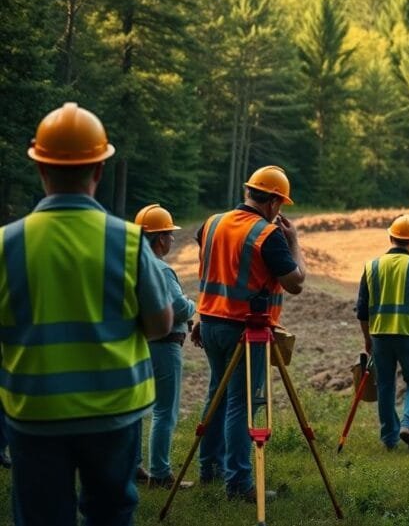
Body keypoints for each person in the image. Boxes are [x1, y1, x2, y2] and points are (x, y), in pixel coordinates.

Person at [0, 103, 172, 526]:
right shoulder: (129, 242)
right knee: (110, 513)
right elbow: (161, 325)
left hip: (34, 413)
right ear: (99, 170)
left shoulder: (7, 244)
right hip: (112, 411)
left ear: (41, 170)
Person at [193, 165, 306, 502]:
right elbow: (296, 282)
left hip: (209, 323)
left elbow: (216, 261)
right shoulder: (266, 235)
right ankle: (239, 483)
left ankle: (208, 469)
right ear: (272, 201)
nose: (280, 211)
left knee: (217, 396)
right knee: (240, 405)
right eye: (281, 204)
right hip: (245, 330)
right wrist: (294, 241)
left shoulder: (212, 223)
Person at [356, 215, 409, 453]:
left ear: (390, 237)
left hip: (380, 336)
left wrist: (367, 339)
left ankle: (389, 439)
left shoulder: (372, 267)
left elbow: (362, 309)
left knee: (384, 385)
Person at [133, 204, 196, 489]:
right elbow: (179, 308)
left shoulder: (134, 264)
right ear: (160, 239)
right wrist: (195, 304)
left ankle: (133, 465)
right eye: (170, 235)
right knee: (164, 410)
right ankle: (160, 473)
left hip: (139, 344)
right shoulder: (161, 268)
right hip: (165, 345)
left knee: (136, 408)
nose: (171, 240)